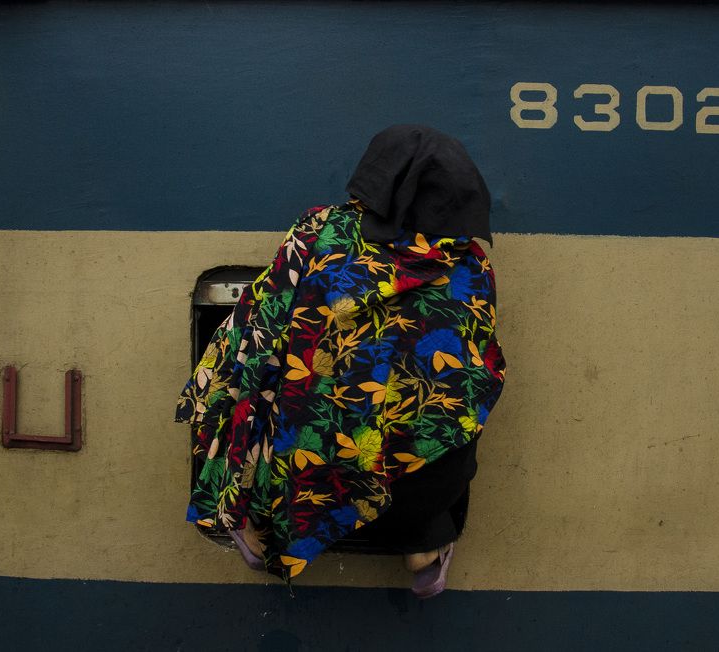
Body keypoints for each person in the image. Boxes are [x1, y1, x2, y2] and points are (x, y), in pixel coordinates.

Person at [176, 125, 506, 598]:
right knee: (444, 407)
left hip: (310, 476)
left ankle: (254, 526)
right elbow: (480, 369)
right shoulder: (471, 266)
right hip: (416, 489)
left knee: (265, 369)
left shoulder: (318, 232)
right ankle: (422, 548)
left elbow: (254, 335)